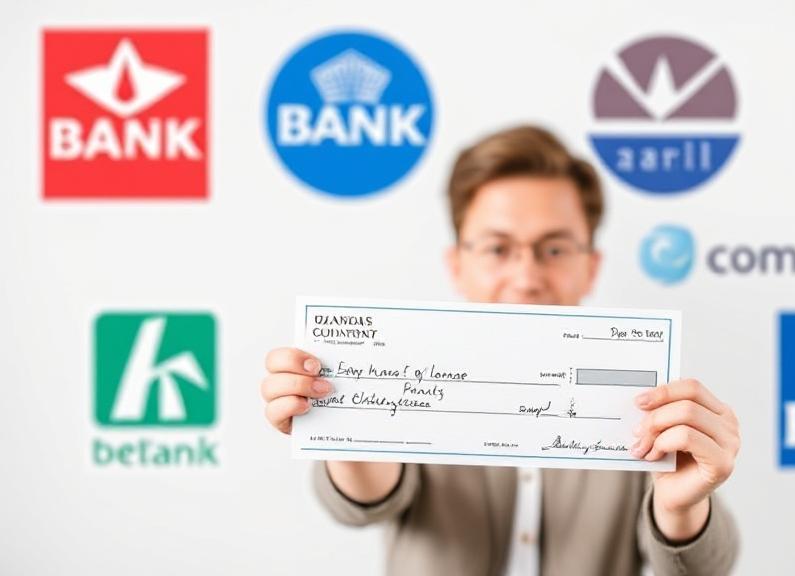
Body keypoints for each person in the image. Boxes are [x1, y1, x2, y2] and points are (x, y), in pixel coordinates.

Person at [260, 125, 740, 575]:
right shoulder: (405, 370)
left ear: (591, 268)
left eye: (554, 249)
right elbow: (362, 501)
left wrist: (682, 505)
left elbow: (707, 564)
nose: (527, 277)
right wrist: (346, 426)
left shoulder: (644, 400)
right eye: (497, 248)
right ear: (457, 265)